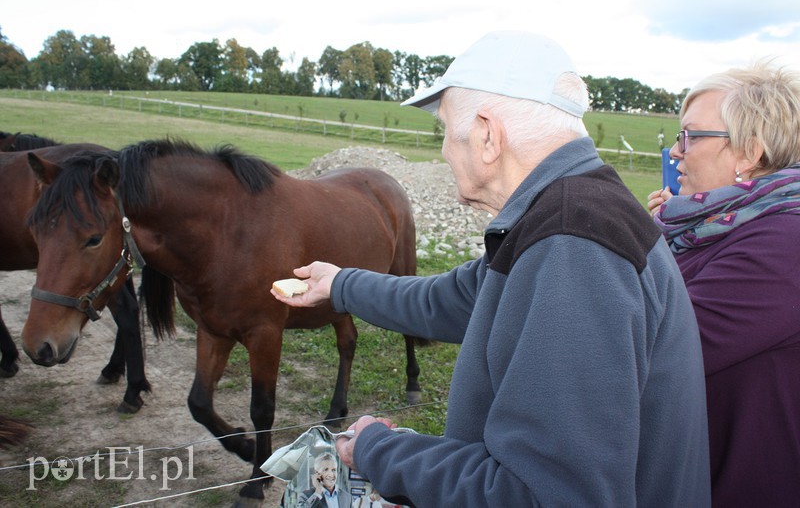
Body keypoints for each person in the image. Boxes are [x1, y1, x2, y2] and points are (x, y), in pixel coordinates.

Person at [274, 30, 711, 507]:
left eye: (444, 129)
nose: (443, 150)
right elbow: (452, 299)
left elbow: (544, 495)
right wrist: (340, 283)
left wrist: (382, 450)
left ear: (486, 134)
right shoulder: (565, 211)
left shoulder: (573, 247)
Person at [647, 61, 800, 507]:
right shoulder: (715, 226)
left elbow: (659, 346)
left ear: (748, 153)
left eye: (690, 136)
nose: (676, 151)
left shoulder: (784, 242)